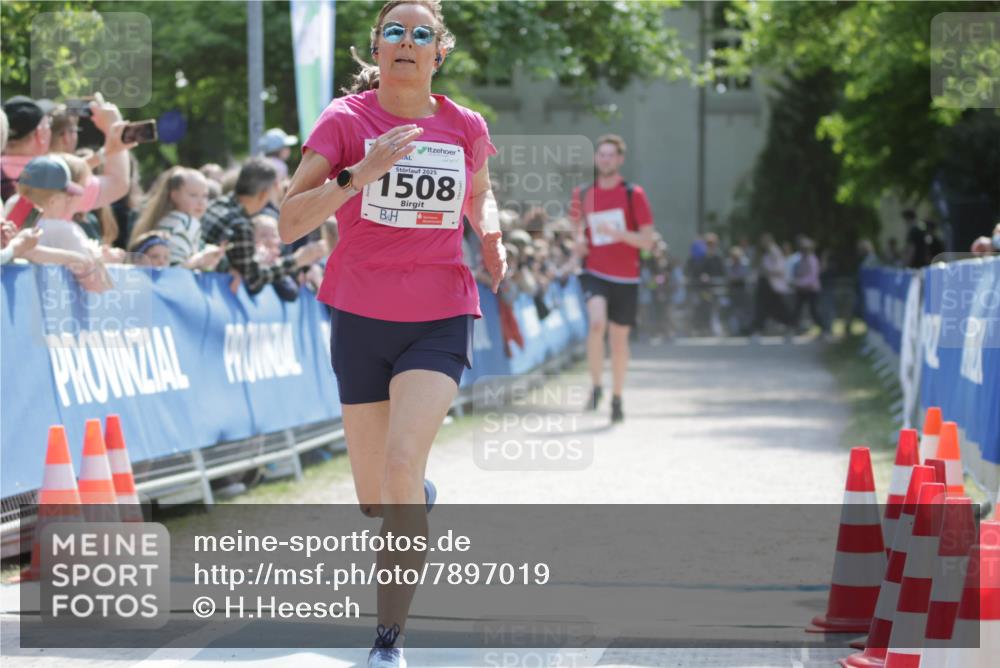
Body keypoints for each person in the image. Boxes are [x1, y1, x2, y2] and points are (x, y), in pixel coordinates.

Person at [277, 3, 505, 666]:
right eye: (394, 32)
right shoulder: (346, 120)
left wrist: (490, 231)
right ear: (375, 47)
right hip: (361, 313)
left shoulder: (465, 124)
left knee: (402, 464)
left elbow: (480, 192)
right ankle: (411, 501)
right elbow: (291, 221)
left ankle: (388, 639)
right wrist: (360, 174)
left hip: (440, 311)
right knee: (379, 498)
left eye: (422, 33)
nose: (407, 43)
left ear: (441, 51)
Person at [569, 134, 655, 422]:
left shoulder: (634, 194)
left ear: (619, 160)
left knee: (619, 342)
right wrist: (578, 243)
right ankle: (595, 386)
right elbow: (576, 233)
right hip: (594, 271)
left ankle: (617, 396)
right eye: (601, 154)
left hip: (626, 277)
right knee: (596, 323)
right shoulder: (582, 194)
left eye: (610, 155)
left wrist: (619, 234)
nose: (605, 159)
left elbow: (647, 241)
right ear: (596, 159)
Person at [203, 158, 324, 294]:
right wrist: (298, 260)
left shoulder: (215, 205)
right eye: (276, 185)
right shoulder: (241, 225)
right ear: (264, 194)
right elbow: (254, 279)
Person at [15, 155, 110, 291]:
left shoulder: (9, 215)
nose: (69, 200)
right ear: (53, 201)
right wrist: (97, 257)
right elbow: (98, 286)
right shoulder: (64, 229)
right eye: (66, 195)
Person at [130, 166, 224, 270]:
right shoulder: (185, 221)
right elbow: (175, 269)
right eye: (193, 195)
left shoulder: (163, 220)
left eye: (205, 196)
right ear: (174, 195)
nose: (201, 202)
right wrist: (201, 259)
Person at [749, 233, 794, 341]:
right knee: (761, 307)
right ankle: (757, 330)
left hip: (772, 284)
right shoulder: (761, 253)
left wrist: (767, 270)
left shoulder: (774, 251)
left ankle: (790, 326)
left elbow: (779, 269)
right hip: (763, 282)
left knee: (777, 307)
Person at [790, 237, 828, 338]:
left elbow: (812, 277)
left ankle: (824, 329)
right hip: (801, 290)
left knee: (814, 311)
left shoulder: (812, 260)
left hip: (812, 290)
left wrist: (797, 283)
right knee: (797, 310)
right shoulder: (800, 260)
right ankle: (792, 329)